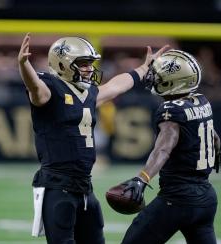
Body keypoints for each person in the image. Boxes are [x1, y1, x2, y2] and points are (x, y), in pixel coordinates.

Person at [17, 33, 168, 244]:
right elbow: (35, 88)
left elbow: (117, 86)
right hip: (57, 187)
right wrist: (24, 66)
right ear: (63, 64)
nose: (90, 68)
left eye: (90, 63)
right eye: (83, 63)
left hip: (85, 187)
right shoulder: (49, 88)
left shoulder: (87, 93)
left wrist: (143, 69)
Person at [120, 50, 221, 244]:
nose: (153, 79)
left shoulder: (170, 110)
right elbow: (215, 138)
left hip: (176, 198)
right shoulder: (202, 101)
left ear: (173, 81)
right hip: (206, 196)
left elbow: (163, 149)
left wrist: (142, 179)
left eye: (159, 76)